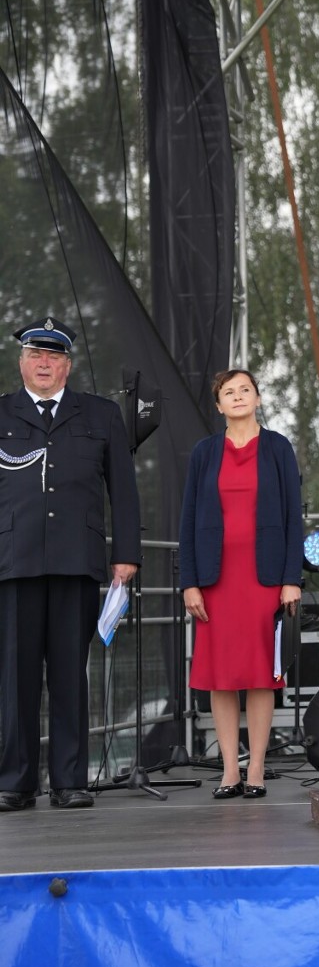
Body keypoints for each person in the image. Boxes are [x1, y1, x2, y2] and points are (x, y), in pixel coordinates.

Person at [0, 317, 140, 811]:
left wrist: (125, 554)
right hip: (12, 564)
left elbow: (122, 489)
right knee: (14, 680)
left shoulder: (100, 415)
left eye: (54, 357)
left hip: (76, 562)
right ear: (21, 363)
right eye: (36, 355)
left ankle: (69, 781)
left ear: (68, 365)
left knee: (68, 676)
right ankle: (14, 783)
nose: (44, 364)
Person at [180, 369, 303, 799]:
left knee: (260, 675)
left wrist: (291, 579)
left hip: (262, 577)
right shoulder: (203, 452)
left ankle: (256, 769)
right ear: (218, 405)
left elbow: (294, 518)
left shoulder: (278, 448)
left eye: (244, 389)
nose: (237, 396)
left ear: (257, 397)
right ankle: (229, 770)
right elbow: (188, 520)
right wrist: (189, 582)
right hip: (215, 580)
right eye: (228, 392)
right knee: (221, 676)